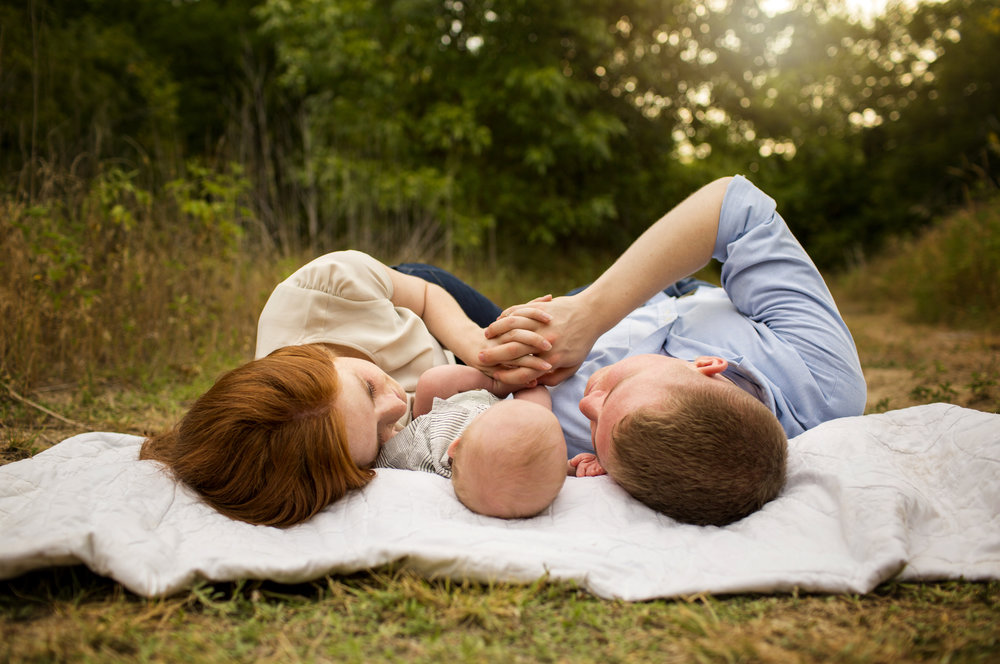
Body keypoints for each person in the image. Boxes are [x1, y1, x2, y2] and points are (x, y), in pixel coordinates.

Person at [477, 175, 867, 526]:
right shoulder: (822, 379)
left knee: (426, 279)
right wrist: (587, 313)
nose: (587, 405)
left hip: (548, 345)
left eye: (596, 430)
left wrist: (498, 362)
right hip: (656, 287)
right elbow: (734, 205)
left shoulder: (618, 448)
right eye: (615, 390)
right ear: (706, 365)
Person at [142, 251, 550, 527]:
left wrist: (478, 347)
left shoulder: (328, 286)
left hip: (432, 317)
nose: (395, 408)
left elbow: (427, 297)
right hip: (458, 385)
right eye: (377, 436)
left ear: (314, 355)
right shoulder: (310, 442)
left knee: (553, 334)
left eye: (369, 388)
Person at [375, 364, 568, 518]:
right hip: (516, 421)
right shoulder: (527, 466)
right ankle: (530, 383)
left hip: (450, 408)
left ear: (455, 447)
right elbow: (540, 467)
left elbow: (386, 459)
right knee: (536, 407)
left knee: (433, 381)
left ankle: (501, 385)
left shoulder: (414, 454)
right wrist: (570, 467)